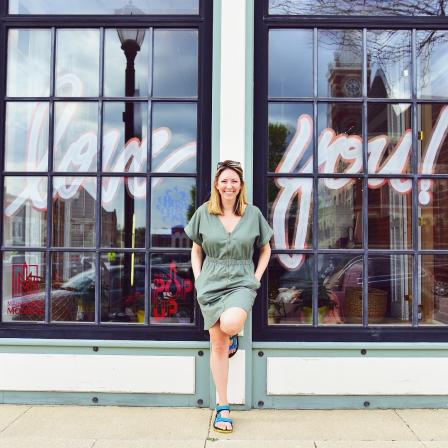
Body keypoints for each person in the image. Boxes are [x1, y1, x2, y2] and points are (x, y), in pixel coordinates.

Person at [184, 160, 273, 433]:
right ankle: (223, 406)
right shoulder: (203, 213)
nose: (229, 185)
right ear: (216, 185)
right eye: (224, 180)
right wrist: (199, 279)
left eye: (234, 181)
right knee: (218, 345)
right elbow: (196, 249)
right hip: (211, 280)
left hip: (241, 280)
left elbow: (266, 248)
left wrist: (255, 279)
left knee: (231, 323)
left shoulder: (253, 213)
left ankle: (233, 334)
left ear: (241, 186)